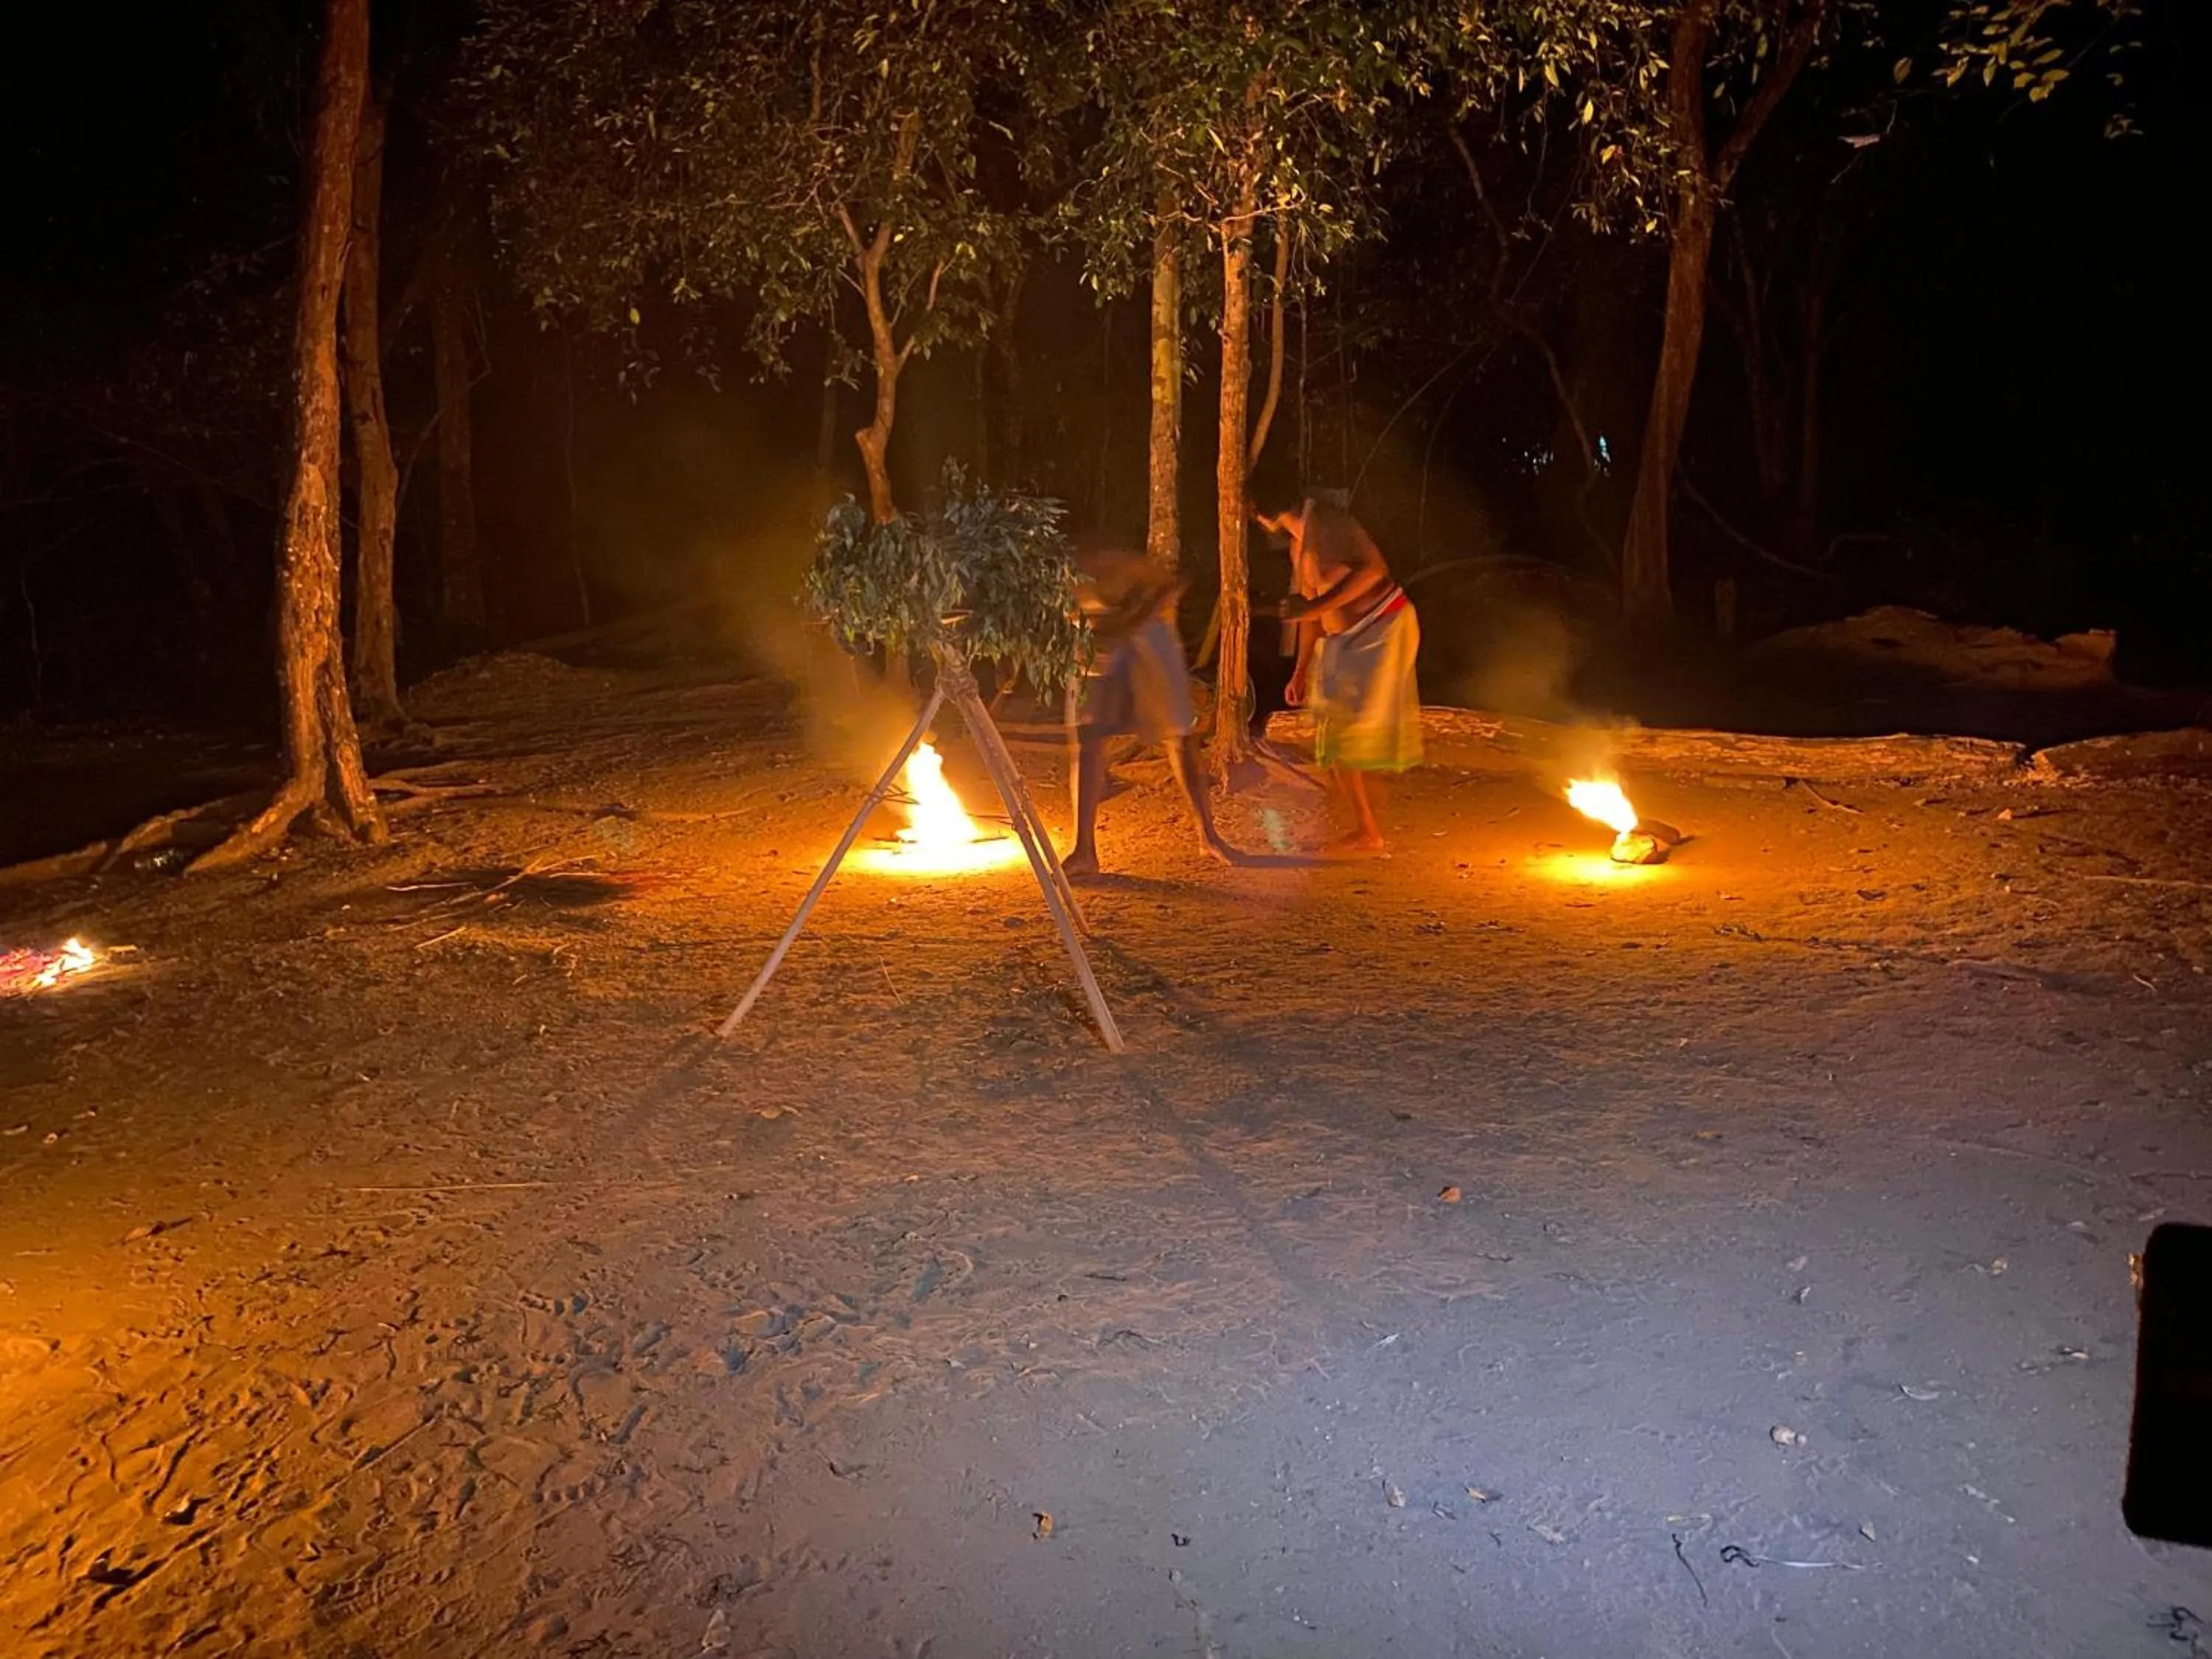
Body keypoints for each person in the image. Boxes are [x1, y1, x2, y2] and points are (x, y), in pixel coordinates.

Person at [1253, 494, 1422, 851]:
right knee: (1333, 731)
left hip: (1382, 629)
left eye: (1250, 512)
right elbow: (1310, 617)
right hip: (1344, 641)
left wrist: (1315, 606)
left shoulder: (1328, 521)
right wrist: (1300, 671)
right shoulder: (1299, 546)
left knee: (1345, 730)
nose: (1253, 522)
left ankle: (1370, 828)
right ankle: (1369, 827)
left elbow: (1375, 571)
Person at [1064, 543, 1236, 876]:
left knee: (1179, 735)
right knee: (1087, 738)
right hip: (1095, 636)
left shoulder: (1114, 556)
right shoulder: (1052, 570)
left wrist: (1129, 619)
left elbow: (1174, 581)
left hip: (1148, 634)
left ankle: (1208, 836)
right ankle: (1084, 851)